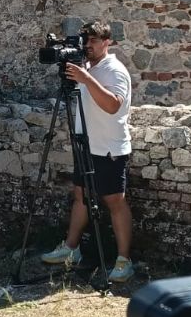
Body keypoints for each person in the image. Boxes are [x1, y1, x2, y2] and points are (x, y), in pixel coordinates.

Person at [40, 20, 136, 283]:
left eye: (94, 40)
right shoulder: (87, 67)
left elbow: (113, 106)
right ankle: (71, 248)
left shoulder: (114, 70)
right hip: (87, 144)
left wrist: (86, 78)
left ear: (107, 42)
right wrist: (81, 75)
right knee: (81, 195)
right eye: (86, 40)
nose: (88, 45)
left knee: (114, 201)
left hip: (109, 148)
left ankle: (124, 260)